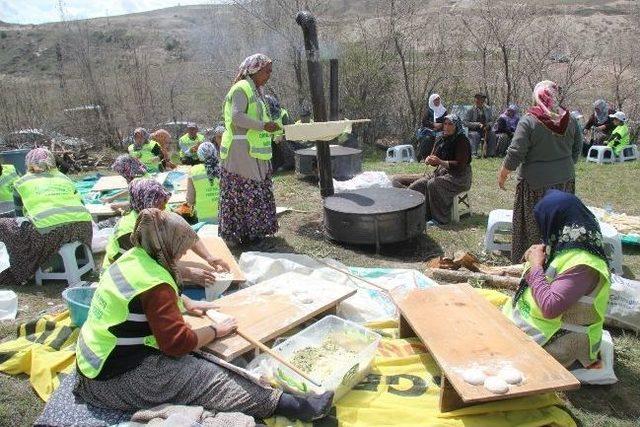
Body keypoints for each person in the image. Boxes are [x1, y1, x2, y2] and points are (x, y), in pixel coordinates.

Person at [74, 209, 333, 422]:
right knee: (210, 379)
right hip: (116, 379)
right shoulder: (155, 284)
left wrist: (184, 303)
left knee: (206, 358)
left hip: (94, 362)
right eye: (181, 248)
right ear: (166, 244)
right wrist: (214, 332)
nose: (183, 254)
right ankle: (289, 406)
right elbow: (176, 344)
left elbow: (138, 303)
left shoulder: (134, 258)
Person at [503, 190, 611, 368]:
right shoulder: (566, 245)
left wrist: (536, 266)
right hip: (538, 328)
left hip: (559, 342)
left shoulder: (583, 264)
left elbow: (550, 307)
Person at [498, 80, 582, 263]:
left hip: (535, 186)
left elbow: (515, 152)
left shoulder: (529, 121)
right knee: (559, 223)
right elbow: (577, 148)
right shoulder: (570, 120)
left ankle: (533, 263)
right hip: (565, 182)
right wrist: (564, 165)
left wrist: (504, 173)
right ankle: (558, 261)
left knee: (534, 227)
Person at [0, 147, 93, 285]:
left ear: (29, 163)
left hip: (50, 234)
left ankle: (24, 269)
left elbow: (19, 217)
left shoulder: (22, 182)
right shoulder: (64, 178)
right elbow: (81, 203)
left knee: (4, 225)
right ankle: (78, 259)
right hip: (83, 229)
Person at [219, 53, 280, 244]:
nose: (269, 75)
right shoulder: (241, 88)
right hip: (239, 149)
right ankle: (247, 235)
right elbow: (237, 117)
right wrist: (263, 126)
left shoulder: (257, 90)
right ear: (255, 69)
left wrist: (271, 129)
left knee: (256, 188)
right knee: (246, 189)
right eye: (266, 71)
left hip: (251, 148)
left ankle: (254, 233)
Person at [391, 114, 472, 225]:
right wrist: (430, 159)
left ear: (456, 126)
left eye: (450, 124)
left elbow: (460, 165)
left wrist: (440, 162)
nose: (447, 127)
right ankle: (415, 210)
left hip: (459, 178)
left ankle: (439, 218)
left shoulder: (462, 141)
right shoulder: (441, 139)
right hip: (441, 173)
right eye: (445, 124)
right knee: (401, 181)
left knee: (432, 184)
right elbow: (435, 159)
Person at [187, 142, 221, 224]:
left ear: (199, 155)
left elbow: (190, 200)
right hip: (225, 215)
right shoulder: (224, 167)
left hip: (204, 217)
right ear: (215, 153)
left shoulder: (194, 171)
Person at [416, 93, 447, 161]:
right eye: (435, 100)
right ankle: (424, 157)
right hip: (428, 130)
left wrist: (441, 125)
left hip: (441, 130)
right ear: (432, 101)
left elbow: (446, 120)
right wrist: (433, 125)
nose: (437, 101)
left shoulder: (443, 110)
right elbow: (424, 122)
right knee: (427, 139)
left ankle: (439, 157)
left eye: (438, 100)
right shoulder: (428, 110)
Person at [265, 94, 292, 171]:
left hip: (282, 139)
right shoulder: (263, 114)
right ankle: (272, 167)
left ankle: (289, 163)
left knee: (284, 143)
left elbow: (290, 130)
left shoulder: (283, 113)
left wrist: (281, 136)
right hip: (270, 141)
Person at [465, 93, 496, 158]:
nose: (480, 101)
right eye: (478, 99)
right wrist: (477, 124)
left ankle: (490, 153)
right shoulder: (470, 110)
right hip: (474, 130)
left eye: (482, 100)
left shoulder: (488, 109)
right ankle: (474, 153)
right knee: (475, 135)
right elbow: (465, 122)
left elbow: (492, 121)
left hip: (485, 129)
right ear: (475, 100)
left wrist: (489, 125)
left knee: (492, 133)